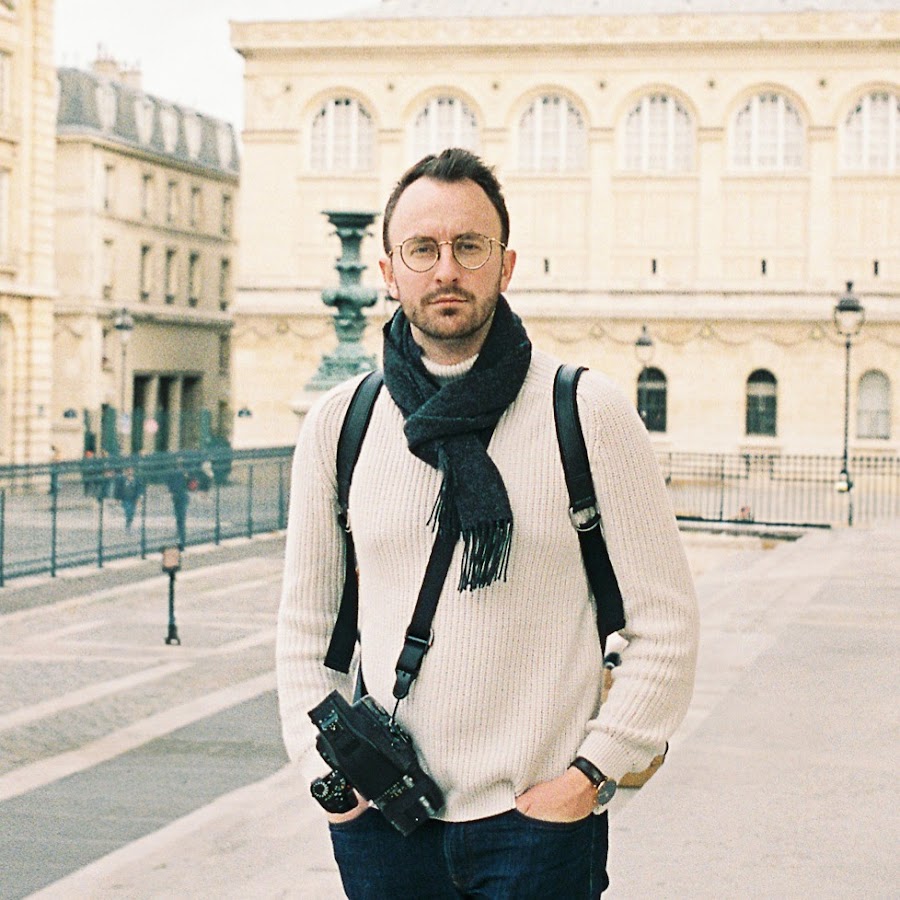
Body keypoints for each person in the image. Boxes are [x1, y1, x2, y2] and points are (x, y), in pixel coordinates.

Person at [277, 148, 699, 898]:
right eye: (423, 249)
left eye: (469, 246)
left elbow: (666, 624)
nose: (446, 269)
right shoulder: (341, 424)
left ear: (505, 266)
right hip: (385, 821)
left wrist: (589, 775)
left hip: (538, 826)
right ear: (389, 271)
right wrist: (327, 774)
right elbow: (306, 627)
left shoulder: (586, 412)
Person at [166, 461, 190, 549]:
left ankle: (180, 536)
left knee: (179, 518)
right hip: (182, 496)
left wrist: (171, 491)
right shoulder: (184, 473)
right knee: (181, 519)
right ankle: (182, 539)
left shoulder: (172, 473)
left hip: (177, 497)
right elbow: (190, 484)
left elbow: (169, 484)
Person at [115, 466, 144, 531]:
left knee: (132, 511)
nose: (130, 472)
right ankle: (128, 523)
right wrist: (117, 499)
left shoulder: (136, 479)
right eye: (128, 471)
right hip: (125, 498)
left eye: (131, 470)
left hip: (133, 498)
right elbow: (118, 489)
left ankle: (129, 522)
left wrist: (139, 497)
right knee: (128, 510)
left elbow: (139, 488)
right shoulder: (122, 479)